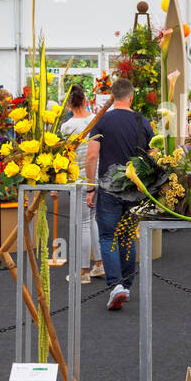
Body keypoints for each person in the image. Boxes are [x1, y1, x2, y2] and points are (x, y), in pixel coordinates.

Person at [86, 78, 153, 311]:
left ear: (112, 97)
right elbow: (153, 155)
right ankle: (126, 283)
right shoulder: (143, 122)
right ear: (132, 96)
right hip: (135, 190)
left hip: (108, 188)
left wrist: (90, 187)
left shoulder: (102, 121)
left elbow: (92, 156)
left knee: (107, 237)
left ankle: (115, 285)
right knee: (127, 236)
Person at [61, 84, 104, 283]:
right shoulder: (95, 120)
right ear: (85, 100)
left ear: (69, 104)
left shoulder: (67, 127)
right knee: (92, 220)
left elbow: (65, 156)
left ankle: (84, 271)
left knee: (84, 223)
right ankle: (100, 264)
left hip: (78, 177)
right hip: (96, 175)